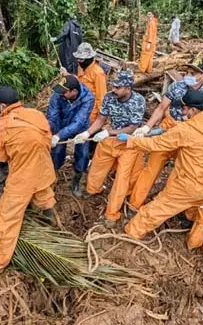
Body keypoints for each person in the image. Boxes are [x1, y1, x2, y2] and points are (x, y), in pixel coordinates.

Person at [122, 90, 203, 250]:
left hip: (191, 187)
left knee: (158, 208)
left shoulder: (185, 131)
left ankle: (131, 233)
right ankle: (193, 244)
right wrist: (171, 128)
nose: (182, 112)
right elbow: (195, 128)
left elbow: (155, 145)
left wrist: (132, 140)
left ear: (193, 110)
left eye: (184, 109)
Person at [128, 58, 203, 209]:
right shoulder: (177, 87)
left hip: (192, 134)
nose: (188, 75)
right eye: (187, 72)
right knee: (152, 168)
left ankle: (168, 206)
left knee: (181, 174)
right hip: (170, 128)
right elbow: (161, 107)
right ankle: (135, 203)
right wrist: (147, 127)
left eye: (193, 73)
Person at [0, 86, 57, 272]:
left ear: (1, 105)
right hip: (45, 167)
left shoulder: (1, 126)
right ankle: (49, 214)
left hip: (23, 175)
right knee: (42, 190)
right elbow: (48, 138)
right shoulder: (36, 114)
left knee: (6, 216)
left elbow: (0, 156)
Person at [74, 71, 146, 227]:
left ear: (128, 88)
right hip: (109, 139)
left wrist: (109, 132)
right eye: (113, 86)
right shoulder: (109, 97)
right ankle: (93, 189)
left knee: (122, 179)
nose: (114, 89)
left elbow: (133, 127)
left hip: (128, 144)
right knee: (97, 167)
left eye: (118, 87)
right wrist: (88, 132)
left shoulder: (138, 101)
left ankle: (112, 213)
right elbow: (101, 119)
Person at [47, 75, 95, 196]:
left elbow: (79, 122)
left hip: (80, 128)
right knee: (57, 152)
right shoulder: (58, 94)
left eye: (64, 92)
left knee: (83, 154)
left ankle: (77, 178)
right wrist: (52, 132)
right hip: (60, 125)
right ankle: (54, 174)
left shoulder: (88, 98)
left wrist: (59, 135)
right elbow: (52, 115)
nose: (61, 94)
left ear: (74, 91)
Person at [74, 43, 107, 127]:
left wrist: (100, 116)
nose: (78, 61)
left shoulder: (98, 73)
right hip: (79, 106)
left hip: (91, 111)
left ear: (89, 59)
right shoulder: (81, 68)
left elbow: (101, 96)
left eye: (81, 59)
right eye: (77, 59)